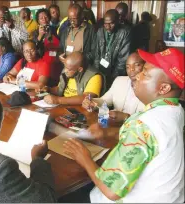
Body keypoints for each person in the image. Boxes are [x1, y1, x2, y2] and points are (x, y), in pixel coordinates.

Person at [64, 48, 184, 203]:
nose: (136, 76)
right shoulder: (175, 110)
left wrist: (84, 158)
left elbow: (111, 190)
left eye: (145, 73)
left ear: (164, 88)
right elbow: (151, 141)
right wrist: (110, 133)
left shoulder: (143, 125)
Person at [82, 52, 145, 121]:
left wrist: (126, 117)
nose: (131, 69)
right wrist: (92, 102)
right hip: (112, 125)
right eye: (128, 67)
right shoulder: (120, 81)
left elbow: (148, 122)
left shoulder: (151, 90)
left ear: (145, 66)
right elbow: (104, 100)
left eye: (137, 65)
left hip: (133, 130)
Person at [94, 9, 131, 89]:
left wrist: (112, 79)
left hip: (115, 74)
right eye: (105, 24)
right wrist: (97, 74)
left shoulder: (125, 33)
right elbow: (97, 54)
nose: (108, 27)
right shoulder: (100, 31)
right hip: (101, 70)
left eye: (111, 23)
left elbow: (122, 61)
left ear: (118, 21)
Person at [34, 8, 62, 86]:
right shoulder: (35, 33)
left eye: (46, 17)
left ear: (49, 18)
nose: (44, 19)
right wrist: (40, 36)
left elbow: (61, 45)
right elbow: (34, 50)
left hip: (56, 63)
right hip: (42, 66)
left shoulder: (56, 30)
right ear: (38, 21)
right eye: (41, 18)